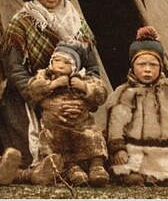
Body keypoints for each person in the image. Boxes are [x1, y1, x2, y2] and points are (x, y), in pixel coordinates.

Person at [0, 0, 100, 166]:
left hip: (70, 98)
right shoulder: (21, 21)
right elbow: (14, 70)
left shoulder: (78, 24)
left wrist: (82, 99)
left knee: (84, 152)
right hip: (28, 98)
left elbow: (92, 69)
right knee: (30, 157)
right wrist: (43, 99)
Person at [105, 27, 168, 187]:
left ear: (161, 67)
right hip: (135, 149)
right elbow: (116, 122)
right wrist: (118, 148)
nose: (147, 69)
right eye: (141, 64)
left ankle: (163, 177)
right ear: (133, 67)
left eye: (153, 65)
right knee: (129, 175)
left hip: (167, 149)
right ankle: (137, 176)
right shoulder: (126, 93)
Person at [24, 42, 110, 187]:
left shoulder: (82, 78)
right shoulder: (44, 76)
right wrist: (53, 84)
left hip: (82, 122)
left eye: (66, 62)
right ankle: (72, 169)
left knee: (92, 136)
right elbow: (33, 90)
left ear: (75, 66)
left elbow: (101, 93)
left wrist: (85, 88)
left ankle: (97, 166)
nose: (60, 65)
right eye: (57, 60)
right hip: (56, 123)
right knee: (57, 140)